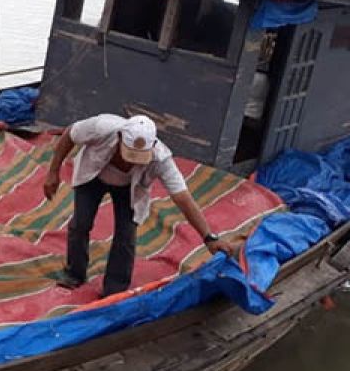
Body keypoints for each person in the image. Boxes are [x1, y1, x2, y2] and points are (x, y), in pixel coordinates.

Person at [42, 114, 237, 297]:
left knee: (126, 236)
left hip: (130, 189)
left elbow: (183, 198)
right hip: (93, 175)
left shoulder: (161, 159)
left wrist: (209, 237)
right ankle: (75, 272)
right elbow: (69, 134)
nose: (130, 163)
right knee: (80, 224)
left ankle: (115, 289)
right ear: (118, 138)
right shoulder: (101, 127)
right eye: (128, 154)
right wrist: (53, 172)